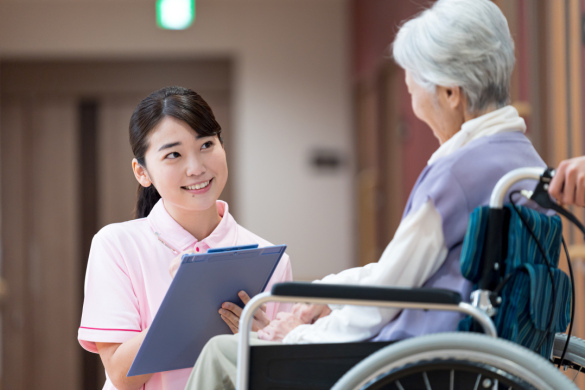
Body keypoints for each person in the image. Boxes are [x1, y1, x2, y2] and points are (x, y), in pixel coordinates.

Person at [183, 0, 547, 388]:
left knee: (223, 352)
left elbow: (388, 294)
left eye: (414, 90)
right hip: (476, 349)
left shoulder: (455, 174)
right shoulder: (523, 160)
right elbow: (406, 271)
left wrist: (300, 334)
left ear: (450, 92)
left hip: (411, 359)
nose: (415, 106)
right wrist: (331, 295)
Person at [77, 86, 293, 390]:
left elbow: (277, 378)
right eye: (174, 154)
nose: (196, 168)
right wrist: (183, 305)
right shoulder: (116, 245)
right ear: (142, 172)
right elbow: (122, 377)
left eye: (206, 145)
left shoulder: (270, 258)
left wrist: (261, 340)